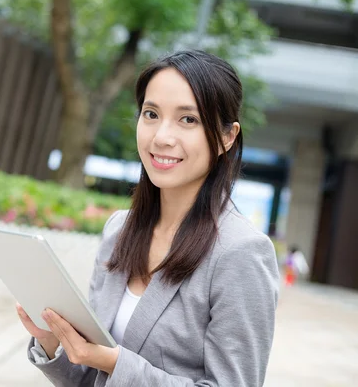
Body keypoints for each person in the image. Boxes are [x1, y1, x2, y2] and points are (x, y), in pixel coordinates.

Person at [16, 50, 280, 386]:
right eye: (151, 114)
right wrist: (53, 341)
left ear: (227, 138)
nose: (161, 137)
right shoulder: (119, 230)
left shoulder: (241, 252)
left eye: (189, 119)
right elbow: (90, 380)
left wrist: (116, 363)